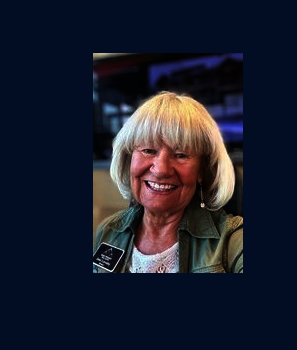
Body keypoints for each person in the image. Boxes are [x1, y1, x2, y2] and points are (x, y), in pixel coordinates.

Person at [93, 92, 243, 273]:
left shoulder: (234, 241)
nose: (161, 170)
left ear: (202, 170)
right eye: (148, 150)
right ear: (129, 159)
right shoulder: (108, 231)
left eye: (181, 155)